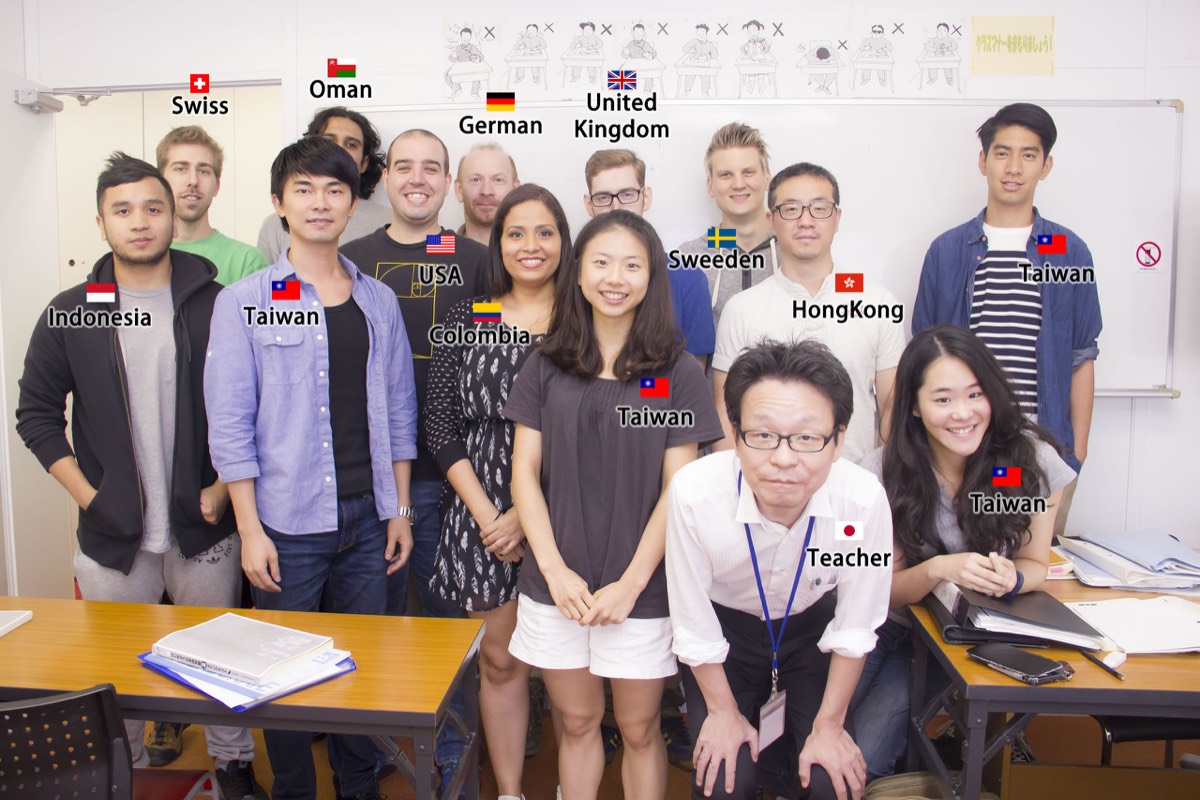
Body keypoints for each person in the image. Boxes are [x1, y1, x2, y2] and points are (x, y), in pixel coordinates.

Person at [15, 153, 265, 800]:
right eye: (122, 211)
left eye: (152, 208)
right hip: (112, 532)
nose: (140, 223)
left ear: (172, 217)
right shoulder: (77, 310)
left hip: (202, 522)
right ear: (101, 224)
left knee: (218, 659)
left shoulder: (216, 303)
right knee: (112, 671)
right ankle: (112, 776)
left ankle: (233, 766)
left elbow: (254, 403)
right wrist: (90, 497)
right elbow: (37, 414)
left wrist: (218, 490)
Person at [205, 136, 417, 800]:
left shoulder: (377, 300)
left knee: (361, 672)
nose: (320, 202)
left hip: (367, 517)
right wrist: (249, 531)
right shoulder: (242, 301)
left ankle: (360, 789)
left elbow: (400, 413)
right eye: (304, 189)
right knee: (280, 676)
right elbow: (230, 424)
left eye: (334, 190)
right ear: (279, 203)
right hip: (285, 526)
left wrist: (399, 509)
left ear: (353, 204)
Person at [505, 210, 723, 800]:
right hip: (558, 582)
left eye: (632, 264)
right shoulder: (547, 364)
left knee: (639, 728)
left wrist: (629, 584)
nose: (615, 277)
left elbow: (679, 489)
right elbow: (524, 472)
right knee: (574, 723)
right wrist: (552, 570)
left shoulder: (676, 372)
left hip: (642, 587)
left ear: (651, 278)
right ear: (577, 273)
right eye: (601, 262)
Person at [665, 339, 893, 800]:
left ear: (839, 440)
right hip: (724, 637)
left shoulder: (863, 501)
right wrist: (723, 715)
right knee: (725, 780)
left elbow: (855, 626)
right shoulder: (695, 494)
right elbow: (693, 623)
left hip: (812, 634)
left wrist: (829, 727)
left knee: (831, 781)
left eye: (808, 438)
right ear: (734, 432)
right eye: (763, 435)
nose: (784, 459)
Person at [849, 325, 1074, 781]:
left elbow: (1035, 565)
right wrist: (938, 569)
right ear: (914, 406)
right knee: (816, 731)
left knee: (864, 754)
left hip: (954, 637)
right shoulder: (881, 473)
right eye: (943, 399)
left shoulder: (1028, 461)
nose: (963, 413)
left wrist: (1011, 579)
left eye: (975, 395)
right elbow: (881, 592)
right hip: (885, 624)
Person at [340, 128, 487, 786]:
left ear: (448, 182)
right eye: (405, 166)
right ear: (384, 177)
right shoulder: (348, 258)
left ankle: (449, 761)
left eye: (433, 168)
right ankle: (368, 760)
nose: (418, 178)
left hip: (450, 477)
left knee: (445, 632)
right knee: (371, 632)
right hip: (365, 481)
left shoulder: (480, 260)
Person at [424, 184, 570, 800]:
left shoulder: (586, 315)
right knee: (501, 661)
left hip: (564, 506)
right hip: (479, 511)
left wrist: (524, 514)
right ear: (497, 241)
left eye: (544, 232)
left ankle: (572, 788)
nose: (530, 246)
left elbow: (597, 423)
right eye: (516, 233)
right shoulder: (468, 313)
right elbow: (439, 421)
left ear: (564, 240)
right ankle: (508, 792)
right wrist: (491, 515)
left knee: (570, 672)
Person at [913, 102, 1100, 538]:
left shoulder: (1067, 251)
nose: (1013, 167)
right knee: (961, 566)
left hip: (1040, 450)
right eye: (1001, 153)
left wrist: (1075, 452)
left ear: (1046, 165)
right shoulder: (949, 251)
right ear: (983, 161)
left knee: (1033, 573)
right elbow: (924, 355)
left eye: (1028, 155)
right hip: (963, 448)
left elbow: (1082, 354)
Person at [712, 162, 904, 464]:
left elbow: (893, 406)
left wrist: (880, 482)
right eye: (790, 209)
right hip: (765, 485)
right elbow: (724, 413)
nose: (805, 221)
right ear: (771, 221)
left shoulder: (875, 301)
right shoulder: (742, 308)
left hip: (854, 486)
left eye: (819, 208)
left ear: (837, 218)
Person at [584, 148, 715, 369]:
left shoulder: (688, 280)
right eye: (603, 197)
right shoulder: (577, 277)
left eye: (627, 195)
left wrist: (635, 390)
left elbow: (691, 384)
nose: (616, 207)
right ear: (589, 205)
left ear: (646, 198)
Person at [674, 123, 776, 329]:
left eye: (748, 172)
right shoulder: (687, 258)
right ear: (710, 186)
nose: (738, 184)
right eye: (725, 175)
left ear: (767, 179)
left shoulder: (797, 250)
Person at [256, 107, 390, 262]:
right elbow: (273, 283)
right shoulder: (275, 225)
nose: (339, 150)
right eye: (328, 141)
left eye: (351, 144)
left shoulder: (387, 221)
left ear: (364, 162)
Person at [158, 125, 267, 285]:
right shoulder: (137, 255)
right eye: (181, 169)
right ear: (160, 183)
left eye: (204, 171)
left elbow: (285, 300)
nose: (193, 181)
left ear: (216, 186)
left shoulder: (248, 261)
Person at [454, 142, 520, 246]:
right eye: (475, 180)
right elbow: (420, 243)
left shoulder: (530, 250)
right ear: (459, 190)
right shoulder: (438, 245)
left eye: (498, 180)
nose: (486, 191)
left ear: (515, 190)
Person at [446, 27, 486, 98]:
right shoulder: (458, 48)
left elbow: (481, 56)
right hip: (460, 68)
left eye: (468, 37)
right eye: (464, 37)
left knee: (477, 73)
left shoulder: (472, 47)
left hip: (471, 67)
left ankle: (474, 92)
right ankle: (457, 89)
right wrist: (453, 56)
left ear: (470, 38)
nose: (465, 39)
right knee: (447, 74)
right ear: (461, 37)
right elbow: (451, 59)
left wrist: (478, 59)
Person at [680, 24, 718, 98]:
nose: (700, 35)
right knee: (689, 73)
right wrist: (690, 50)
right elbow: (684, 49)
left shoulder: (710, 44)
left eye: (702, 34)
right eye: (699, 34)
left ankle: (705, 91)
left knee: (706, 75)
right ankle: (687, 90)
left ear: (706, 34)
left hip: (704, 65)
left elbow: (715, 55)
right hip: (693, 63)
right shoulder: (694, 42)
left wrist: (709, 56)